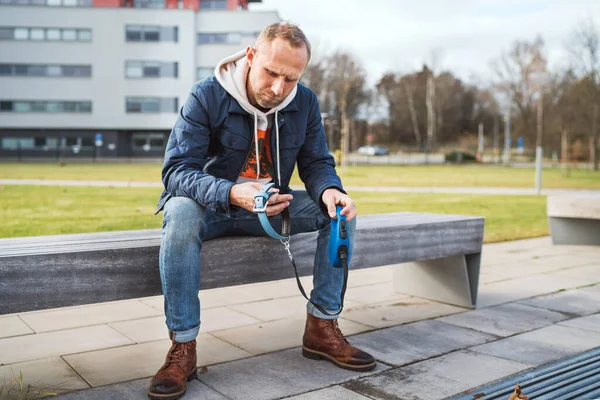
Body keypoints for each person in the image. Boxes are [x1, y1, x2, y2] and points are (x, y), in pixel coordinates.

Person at [148, 22, 376, 400]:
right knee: (182, 213)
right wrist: (231, 192)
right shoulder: (206, 96)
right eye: (271, 73)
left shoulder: (304, 102)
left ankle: (322, 326)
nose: (278, 89)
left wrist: (332, 190)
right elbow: (176, 172)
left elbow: (317, 163)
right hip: (213, 207)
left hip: (271, 208)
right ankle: (183, 348)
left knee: (339, 213)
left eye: (290, 78)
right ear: (251, 57)